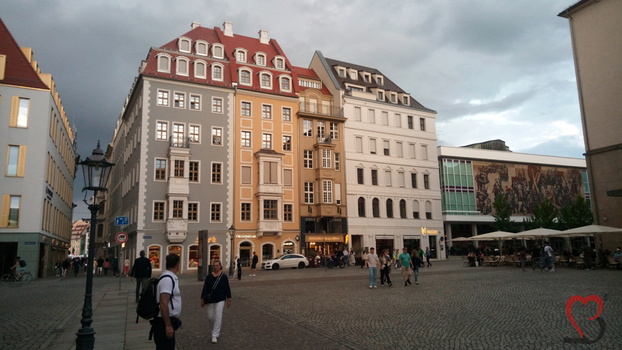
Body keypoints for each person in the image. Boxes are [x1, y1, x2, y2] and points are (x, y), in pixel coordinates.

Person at [152, 254, 182, 350]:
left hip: (166, 321)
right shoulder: (167, 280)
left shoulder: (169, 277)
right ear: (178, 264)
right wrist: (168, 326)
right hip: (163, 322)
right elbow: (163, 303)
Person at [201, 260, 232, 344]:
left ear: (220, 266)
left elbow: (227, 288)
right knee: (210, 317)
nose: (215, 267)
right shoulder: (209, 277)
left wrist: (229, 298)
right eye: (214, 265)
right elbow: (205, 288)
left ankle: (215, 334)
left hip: (220, 299)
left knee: (218, 316)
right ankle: (214, 329)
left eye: (217, 265)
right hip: (210, 299)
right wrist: (202, 299)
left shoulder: (224, 277)